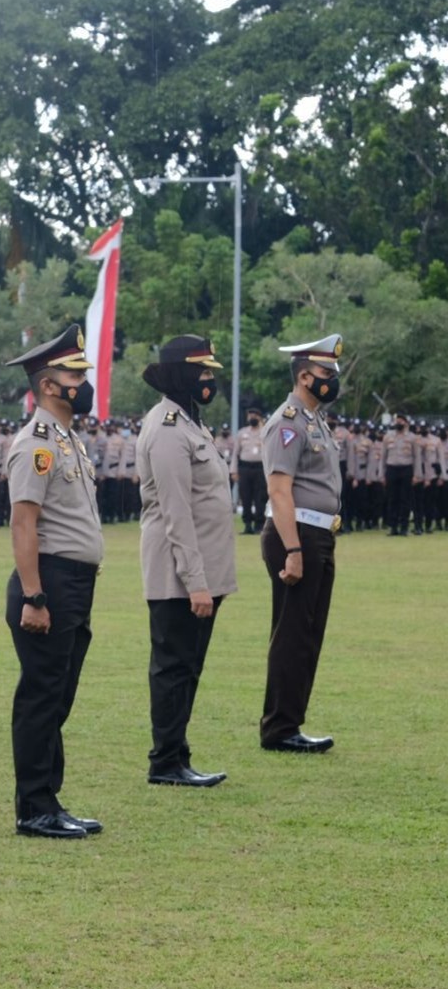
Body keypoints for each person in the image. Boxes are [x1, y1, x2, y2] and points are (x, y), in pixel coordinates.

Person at [2, 324, 104, 839]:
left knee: (57, 696)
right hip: (49, 583)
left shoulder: (68, 441)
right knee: (42, 696)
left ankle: (49, 800)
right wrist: (34, 595)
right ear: (47, 385)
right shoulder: (36, 445)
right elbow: (24, 524)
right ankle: (34, 807)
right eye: (74, 376)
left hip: (74, 583)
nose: (84, 384)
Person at [135, 336, 235, 787]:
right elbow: (176, 511)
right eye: (202, 372)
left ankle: (177, 754)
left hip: (200, 570)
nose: (209, 380)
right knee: (174, 668)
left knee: (188, 667)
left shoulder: (191, 423)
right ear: (181, 375)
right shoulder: (168, 429)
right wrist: (195, 581)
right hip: (178, 573)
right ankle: (165, 762)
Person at [258, 333, 343, 754]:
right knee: (293, 634)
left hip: (318, 535)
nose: (332, 379)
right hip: (297, 535)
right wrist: (293, 550)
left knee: (307, 635)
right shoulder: (288, 422)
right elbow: (279, 491)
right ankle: (279, 728)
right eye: (326, 372)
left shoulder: (314, 420)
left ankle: (290, 723)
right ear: (305, 376)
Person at [234, 409, 266, 534]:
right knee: (245, 497)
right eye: (250, 416)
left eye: (255, 416)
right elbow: (235, 453)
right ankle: (247, 525)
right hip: (245, 468)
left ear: (260, 418)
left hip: (260, 468)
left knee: (260, 497)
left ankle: (259, 525)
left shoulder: (265, 432)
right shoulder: (242, 433)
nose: (252, 418)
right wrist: (234, 471)